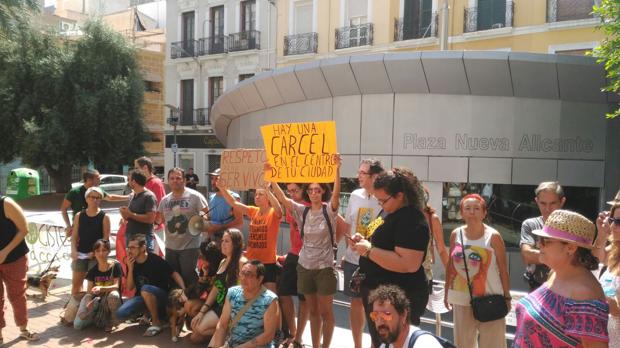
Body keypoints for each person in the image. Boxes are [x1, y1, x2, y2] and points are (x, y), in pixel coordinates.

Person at [352, 168, 430, 348]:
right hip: (379, 293)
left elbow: (408, 263)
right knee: (380, 341)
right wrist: (362, 241)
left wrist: (369, 250)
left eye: (383, 200)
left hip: (399, 296)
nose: (380, 204)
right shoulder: (388, 212)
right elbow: (375, 238)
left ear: (400, 195)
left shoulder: (411, 218)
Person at [270, 155, 342, 348]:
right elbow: (283, 199)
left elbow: (336, 195)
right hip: (305, 267)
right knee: (312, 311)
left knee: (326, 312)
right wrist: (270, 177)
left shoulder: (330, 210)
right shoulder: (303, 211)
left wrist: (337, 169)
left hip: (324, 268)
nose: (313, 193)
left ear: (322, 192)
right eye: (310, 190)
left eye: (317, 190)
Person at [513, 210, 610, 347]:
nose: (539, 244)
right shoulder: (555, 273)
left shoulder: (584, 294)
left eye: (545, 241)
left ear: (570, 248)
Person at [444, 194, 510, 348]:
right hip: (461, 298)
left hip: (490, 298)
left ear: (484, 213)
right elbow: (450, 265)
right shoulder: (456, 234)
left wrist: (507, 297)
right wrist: (447, 292)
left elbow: (503, 269)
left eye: (476, 208)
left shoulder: (493, 236)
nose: (472, 212)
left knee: (493, 344)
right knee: (463, 344)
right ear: (462, 213)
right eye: (467, 208)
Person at [342, 159, 384, 348]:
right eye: (358, 172)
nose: (358, 176)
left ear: (374, 176)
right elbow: (349, 224)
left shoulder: (384, 197)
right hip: (353, 259)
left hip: (376, 260)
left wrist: (367, 239)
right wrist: (349, 244)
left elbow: (381, 223)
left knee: (377, 306)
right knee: (356, 303)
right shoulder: (354, 195)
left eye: (362, 173)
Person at [217, 179, 282, 293]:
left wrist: (267, 189)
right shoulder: (253, 211)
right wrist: (222, 188)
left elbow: (279, 210)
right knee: (250, 294)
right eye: (256, 194)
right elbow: (234, 203)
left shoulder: (273, 213)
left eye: (260, 194)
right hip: (252, 261)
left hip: (268, 262)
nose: (256, 196)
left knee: (271, 298)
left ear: (268, 197)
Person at [116, 234, 185, 337]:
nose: (130, 250)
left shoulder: (155, 260)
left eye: (133, 247)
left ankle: (156, 323)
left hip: (162, 297)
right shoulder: (131, 262)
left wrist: (183, 290)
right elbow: (130, 287)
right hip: (143, 297)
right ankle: (148, 313)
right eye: (129, 247)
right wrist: (130, 269)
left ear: (143, 248)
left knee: (145, 288)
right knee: (120, 313)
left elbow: (174, 273)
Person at [191, 228, 248, 343]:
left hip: (232, 309)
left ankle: (228, 331)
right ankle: (224, 334)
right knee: (195, 337)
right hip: (219, 305)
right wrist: (203, 311)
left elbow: (246, 291)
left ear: (236, 244)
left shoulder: (242, 263)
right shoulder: (223, 262)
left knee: (199, 328)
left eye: (227, 241)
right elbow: (216, 288)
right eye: (222, 241)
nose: (222, 244)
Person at [209, 260, 280, 348]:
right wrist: (218, 345)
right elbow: (222, 325)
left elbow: (268, 335)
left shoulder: (270, 300)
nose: (243, 278)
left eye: (249, 275)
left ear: (260, 279)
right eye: (242, 273)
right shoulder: (232, 293)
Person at [157, 167, 209, 286]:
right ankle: (177, 302)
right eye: (172, 178)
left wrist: (200, 219)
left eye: (178, 178)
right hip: (170, 247)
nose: (175, 181)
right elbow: (160, 219)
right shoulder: (165, 200)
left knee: (188, 276)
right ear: (168, 181)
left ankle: (192, 302)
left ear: (184, 180)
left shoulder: (195, 196)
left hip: (189, 246)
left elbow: (205, 214)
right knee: (173, 279)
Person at [0, 195, 38, 342]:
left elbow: (24, 229)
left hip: (14, 257)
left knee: (17, 295)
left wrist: (5, 251)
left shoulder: (6, 203)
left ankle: (23, 329)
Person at [278, 183, 310, 348]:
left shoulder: (313, 205)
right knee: (283, 292)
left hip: (308, 258)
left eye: (295, 190)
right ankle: (292, 331)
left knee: (304, 299)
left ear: (303, 190)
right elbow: (280, 201)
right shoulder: (291, 206)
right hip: (293, 254)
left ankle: (298, 337)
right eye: (289, 191)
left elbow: (339, 224)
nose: (291, 194)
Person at [520, 181, 566, 291]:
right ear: (536, 201)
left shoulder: (572, 227)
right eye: (543, 203)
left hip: (566, 288)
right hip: (537, 287)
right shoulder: (530, 224)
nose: (547, 208)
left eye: (553, 203)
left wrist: (540, 256)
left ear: (562, 202)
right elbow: (527, 255)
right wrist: (560, 256)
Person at [369, 284, 445, 348]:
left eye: (386, 314)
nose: (380, 321)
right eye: (375, 315)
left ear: (403, 315)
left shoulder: (424, 344)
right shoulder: (385, 346)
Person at [61, 169, 126, 237]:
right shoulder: (74, 192)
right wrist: (68, 225)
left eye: (97, 197)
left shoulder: (98, 190)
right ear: (89, 180)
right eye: (97, 178)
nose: (100, 180)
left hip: (96, 225)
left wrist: (128, 197)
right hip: (80, 226)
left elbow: (110, 197)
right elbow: (63, 208)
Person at [74, 239, 122, 332]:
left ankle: (111, 321)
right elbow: (89, 292)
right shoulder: (93, 270)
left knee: (114, 295)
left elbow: (116, 286)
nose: (101, 253)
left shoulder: (115, 266)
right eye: (98, 251)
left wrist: (101, 288)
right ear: (94, 253)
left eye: (104, 250)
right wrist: (88, 305)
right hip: (96, 300)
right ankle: (93, 317)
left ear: (109, 252)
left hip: (109, 300)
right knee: (77, 325)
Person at [71, 187, 111, 295]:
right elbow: (74, 236)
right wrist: (73, 250)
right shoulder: (79, 215)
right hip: (81, 253)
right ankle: (75, 307)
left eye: (98, 198)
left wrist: (95, 253)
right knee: (76, 284)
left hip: (96, 256)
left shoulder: (104, 216)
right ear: (87, 198)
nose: (95, 200)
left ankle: (91, 308)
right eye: (93, 197)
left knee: (93, 286)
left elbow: (105, 239)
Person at [595, 202, 620, 347]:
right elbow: (596, 257)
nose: (614, 226)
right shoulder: (615, 248)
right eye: (612, 220)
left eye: (619, 222)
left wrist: (613, 307)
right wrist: (601, 234)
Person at [119, 170, 157, 251]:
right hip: (130, 237)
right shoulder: (133, 195)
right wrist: (124, 215)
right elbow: (130, 216)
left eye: (128, 179)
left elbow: (150, 219)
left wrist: (130, 214)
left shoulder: (149, 196)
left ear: (134, 181)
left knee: (146, 263)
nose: (127, 182)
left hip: (143, 239)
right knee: (131, 263)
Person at [421, 186, 449, 293]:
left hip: (424, 274)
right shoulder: (402, 215)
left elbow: (441, 248)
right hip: (400, 274)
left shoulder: (432, 218)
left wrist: (451, 274)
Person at [205, 168, 243, 241]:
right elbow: (211, 219)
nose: (213, 182)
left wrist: (221, 227)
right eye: (212, 179)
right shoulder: (211, 198)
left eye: (217, 179)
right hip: (213, 240)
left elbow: (239, 221)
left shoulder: (234, 198)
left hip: (229, 240)